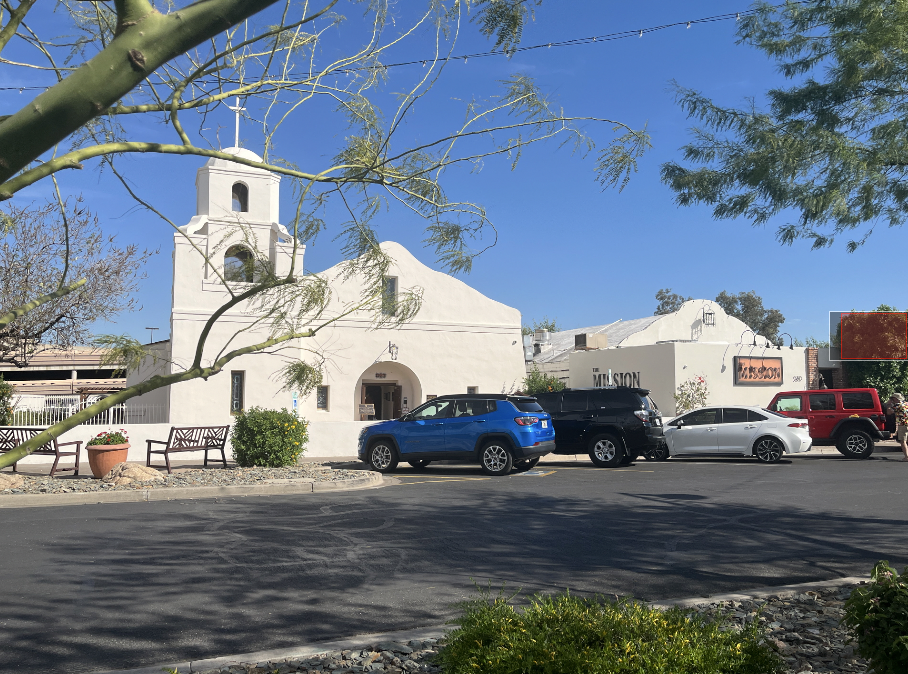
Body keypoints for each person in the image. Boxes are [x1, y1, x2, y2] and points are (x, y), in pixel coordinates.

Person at [892, 393, 908, 461]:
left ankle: (906, 457)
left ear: (896, 399)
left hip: (903, 424)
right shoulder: (906, 404)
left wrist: (889, 404)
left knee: (903, 441)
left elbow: (889, 412)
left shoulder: (898, 406)